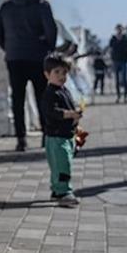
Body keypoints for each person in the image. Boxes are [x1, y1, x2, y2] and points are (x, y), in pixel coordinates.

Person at [0, 0, 57, 151]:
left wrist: (8, 47)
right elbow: (51, 30)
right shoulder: (42, 6)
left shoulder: (7, 7)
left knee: (18, 99)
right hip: (37, 57)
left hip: (15, 58)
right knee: (42, 97)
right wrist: (49, 48)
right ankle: (46, 135)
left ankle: (21, 139)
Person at [39, 53, 82, 207]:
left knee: (62, 164)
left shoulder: (64, 90)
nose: (61, 76)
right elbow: (52, 112)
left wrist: (75, 116)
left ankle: (57, 191)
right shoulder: (50, 94)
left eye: (64, 72)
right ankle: (64, 191)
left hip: (66, 135)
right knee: (62, 165)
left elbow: (68, 107)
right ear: (47, 74)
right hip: (56, 138)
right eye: (56, 72)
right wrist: (70, 114)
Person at [108, 24, 127, 102]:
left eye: (121, 29)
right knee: (117, 80)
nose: (119, 31)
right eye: (118, 29)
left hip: (124, 61)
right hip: (116, 61)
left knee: (124, 79)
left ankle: (125, 96)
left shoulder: (126, 39)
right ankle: (118, 96)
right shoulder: (113, 39)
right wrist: (110, 59)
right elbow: (110, 49)